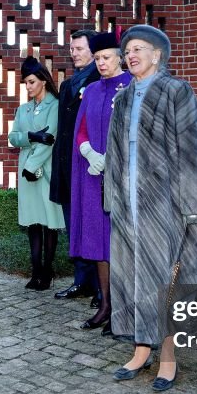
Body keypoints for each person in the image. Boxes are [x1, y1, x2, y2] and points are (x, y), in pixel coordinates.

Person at [106, 25, 197, 391]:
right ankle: (141, 350)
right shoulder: (123, 98)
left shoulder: (176, 90)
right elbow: (114, 155)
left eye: (140, 48)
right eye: (128, 50)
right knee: (134, 276)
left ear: (158, 55)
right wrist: (113, 198)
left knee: (166, 280)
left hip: (167, 203)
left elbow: (191, 149)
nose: (131, 55)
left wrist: (195, 204)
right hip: (129, 204)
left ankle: (167, 357)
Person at [70, 31, 132, 334]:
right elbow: (80, 130)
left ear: (119, 56)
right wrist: (88, 151)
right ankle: (105, 305)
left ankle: (124, 309)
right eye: (97, 58)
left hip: (122, 179)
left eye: (106, 57)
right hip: (95, 178)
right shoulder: (92, 90)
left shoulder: (132, 86)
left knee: (121, 244)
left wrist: (113, 157)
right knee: (99, 244)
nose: (101, 63)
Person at [50, 29, 101, 304]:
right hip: (66, 165)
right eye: (72, 48)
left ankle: (101, 286)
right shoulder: (67, 85)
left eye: (79, 48)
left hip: (89, 166)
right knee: (74, 227)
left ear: (93, 52)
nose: (74, 53)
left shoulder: (100, 80)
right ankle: (81, 281)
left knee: (93, 226)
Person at [9, 56, 65, 290]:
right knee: (33, 223)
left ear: (43, 80)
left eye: (32, 82)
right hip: (27, 173)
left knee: (49, 222)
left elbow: (50, 139)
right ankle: (36, 272)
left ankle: (48, 272)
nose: (28, 87)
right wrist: (32, 136)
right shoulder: (23, 110)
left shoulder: (56, 105)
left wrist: (31, 166)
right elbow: (13, 138)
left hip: (47, 170)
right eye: (26, 83)